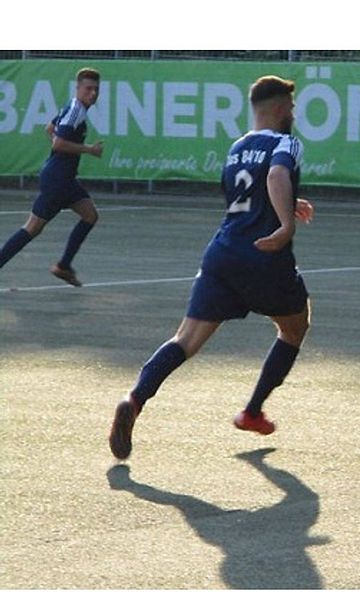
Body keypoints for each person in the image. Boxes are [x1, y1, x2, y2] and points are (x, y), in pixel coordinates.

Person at [109, 75, 315, 460]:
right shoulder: (286, 142)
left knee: (185, 340)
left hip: (222, 253)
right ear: (276, 109)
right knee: (295, 326)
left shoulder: (237, 148)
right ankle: (252, 411)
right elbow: (275, 174)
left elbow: (248, 194)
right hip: (264, 254)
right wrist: (285, 223)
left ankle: (134, 399)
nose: (293, 112)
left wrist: (288, 201)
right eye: (289, 106)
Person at [0, 68, 104, 286]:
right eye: (88, 89)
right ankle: (62, 266)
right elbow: (57, 142)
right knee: (32, 228)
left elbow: (50, 129)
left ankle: (64, 266)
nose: (93, 93)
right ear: (78, 89)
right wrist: (88, 149)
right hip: (58, 179)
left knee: (90, 215)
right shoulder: (76, 110)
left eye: (96, 89)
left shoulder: (74, 107)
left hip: (62, 178)